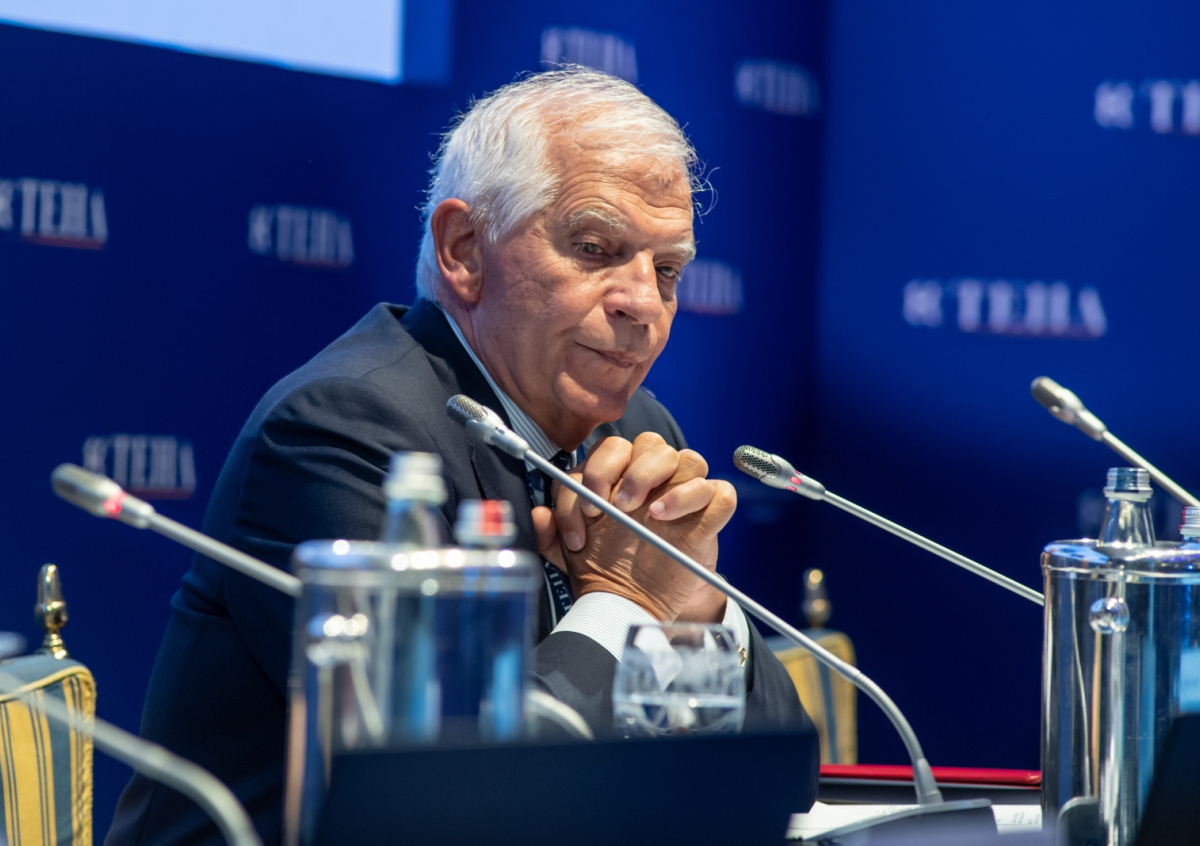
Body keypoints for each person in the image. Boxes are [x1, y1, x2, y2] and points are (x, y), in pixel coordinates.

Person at [106, 67, 810, 846]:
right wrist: (624, 604)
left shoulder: (637, 433)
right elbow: (449, 805)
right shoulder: (344, 428)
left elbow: (780, 779)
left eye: (667, 270)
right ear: (464, 249)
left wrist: (700, 613)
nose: (644, 303)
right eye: (594, 248)